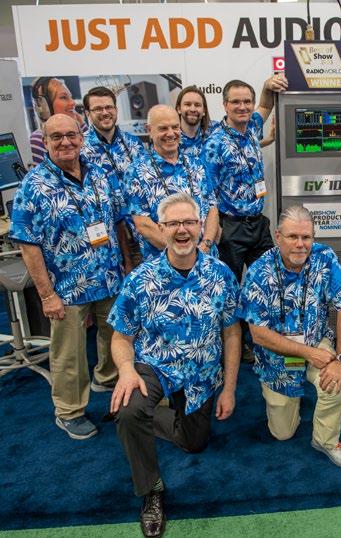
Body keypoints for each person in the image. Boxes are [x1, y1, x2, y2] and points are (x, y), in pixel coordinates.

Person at [108, 192, 241, 538]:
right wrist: (126, 370)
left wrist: (228, 389)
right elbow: (121, 337)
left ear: (200, 227)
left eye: (189, 222)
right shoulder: (141, 279)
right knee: (128, 408)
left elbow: (231, 333)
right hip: (155, 365)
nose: (182, 230)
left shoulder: (221, 275)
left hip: (202, 371)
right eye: (173, 223)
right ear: (161, 229)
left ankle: (150, 417)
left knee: (194, 442)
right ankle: (151, 490)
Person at [9, 114, 124, 439]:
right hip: (67, 287)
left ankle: (106, 378)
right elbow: (28, 245)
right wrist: (47, 295)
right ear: (44, 142)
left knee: (113, 337)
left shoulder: (99, 174)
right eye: (56, 136)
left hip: (108, 277)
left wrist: (126, 264)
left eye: (71, 135)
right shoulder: (34, 186)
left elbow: (117, 221)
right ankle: (69, 411)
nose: (65, 142)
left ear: (81, 138)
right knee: (69, 352)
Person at [237, 206, 341, 468]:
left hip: (316, 339)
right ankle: (288, 400)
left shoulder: (325, 258)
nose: (300, 244)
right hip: (276, 355)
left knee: (338, 385)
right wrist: (308, 354)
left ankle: (325, 440)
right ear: (278, 237)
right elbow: (259, 335)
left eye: (306, 237)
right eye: (293, 237)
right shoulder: (259, 272)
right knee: (283, 433)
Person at [203, 74, 288, 283]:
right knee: (229, 284)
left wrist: (267, 86)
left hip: (258, 224)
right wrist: (214, 230)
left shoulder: (252, 128)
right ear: (225, 105)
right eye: (235, 102)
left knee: (269, 280)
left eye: (247, 101)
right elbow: (207, 191)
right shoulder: (215, 143)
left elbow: (265, 106)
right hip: (231, 227)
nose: (242, 107)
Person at [124, 105, 219, 262]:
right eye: (163, 128)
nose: (171, 133)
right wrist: (185, 253)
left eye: (175, 127)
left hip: (206, 259)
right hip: (165, 265)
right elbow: (143, 224)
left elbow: (212, 208)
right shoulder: (135, 172)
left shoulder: (197, 164)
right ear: (149, 130)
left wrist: (206, 244)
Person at [82, 85, 146, 272]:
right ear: (87, 113)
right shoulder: (80, 149)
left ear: (116, 109)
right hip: (105, 239)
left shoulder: (133, 143)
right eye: (98, 109)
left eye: (109, 107)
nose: (105, 112)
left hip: (140, 233)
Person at [29, 77, 87, 165]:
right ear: (44, 106)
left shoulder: (78, 131)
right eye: (63, 97)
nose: (73, 103)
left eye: (70, 97)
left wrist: (82, 126)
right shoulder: (38, 140)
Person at [175, 85, 220, 160]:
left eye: (197, 105)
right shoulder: (171, 136)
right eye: (187, 104)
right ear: (179, 109)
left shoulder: (216, 131)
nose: (193, 109)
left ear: (204, 111)